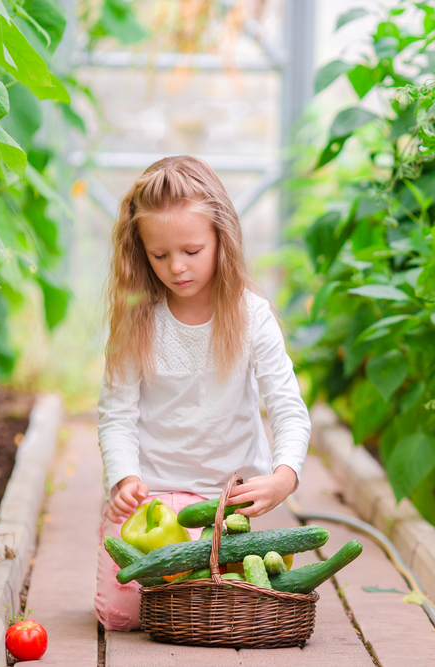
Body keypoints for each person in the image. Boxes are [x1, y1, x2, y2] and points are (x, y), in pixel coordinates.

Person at [93, 155, 311, 631]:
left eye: (192, 250)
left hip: (224, 503)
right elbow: (116, 415)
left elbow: (287, 407)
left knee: (218, 614)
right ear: (141, 251)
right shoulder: (138, 320)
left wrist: (284, 477)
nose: (177, 267)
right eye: (159, 254)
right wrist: (123, 479)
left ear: (221, 239)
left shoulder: (251, 316)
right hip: (155, 496)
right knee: (122, 617)